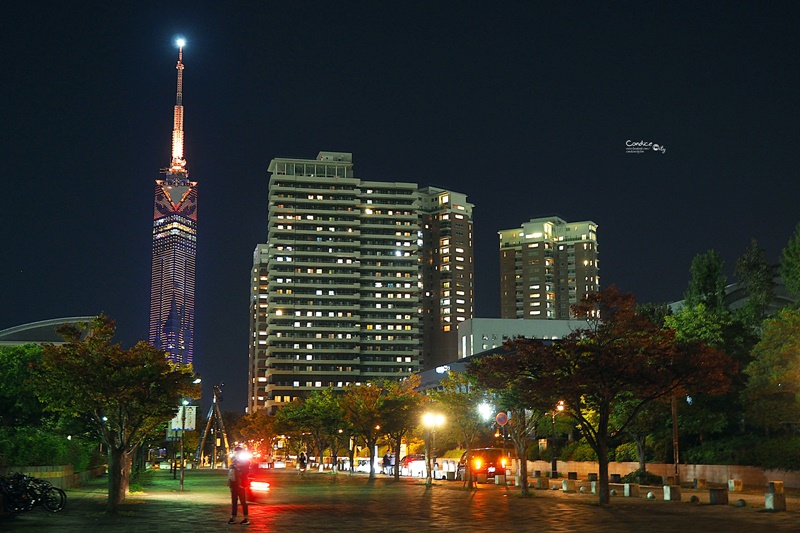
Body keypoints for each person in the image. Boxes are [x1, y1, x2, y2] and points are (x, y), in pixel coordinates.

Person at [228, 446, 251, 525]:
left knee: (243, 501)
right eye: (236, 452)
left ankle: (246, 518)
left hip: (240, 484)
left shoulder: (245, 462)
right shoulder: (234, 461)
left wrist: (239, 468)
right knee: (234, 502)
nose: (237, 453)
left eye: (238, 452)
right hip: (233, 484)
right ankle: (233, 517)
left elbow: (246, 472)